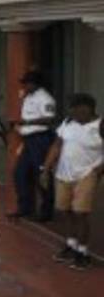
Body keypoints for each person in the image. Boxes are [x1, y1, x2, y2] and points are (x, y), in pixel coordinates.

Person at [44, 93, 102, 271]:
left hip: (86, 174)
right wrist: (45, 168)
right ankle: (71, 244)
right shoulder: (68, 122)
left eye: (77, 110)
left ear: (88, 109)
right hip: (63, 174)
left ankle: (83, 253)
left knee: (80, 214)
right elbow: (57, 145)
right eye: (72, 110)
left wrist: (99, 170)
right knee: (63, 210)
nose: (74, 113)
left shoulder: (100, 125)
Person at [9, 70, 58, 222]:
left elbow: (49, 120)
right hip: (29, 139)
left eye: (27, 83)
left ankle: (46, 210)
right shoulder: (28, 96)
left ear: (35, 83)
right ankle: (25, 207)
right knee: (20, 173)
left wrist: (28, 123)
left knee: (41, 174)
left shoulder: (46, 98)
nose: (25, 86)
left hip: (41, 139)